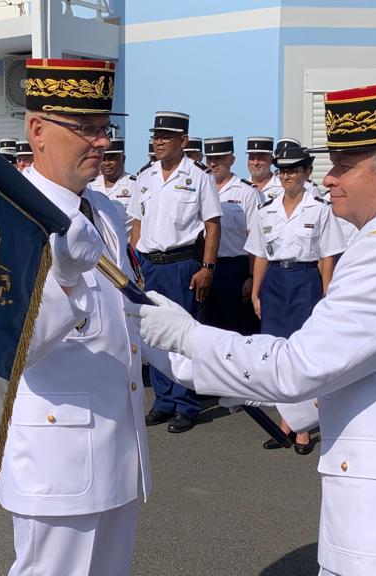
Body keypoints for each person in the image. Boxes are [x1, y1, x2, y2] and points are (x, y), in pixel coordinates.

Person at [131, 77, 376, 576]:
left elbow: (297, 369)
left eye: (345, 165)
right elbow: (370, 374)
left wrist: (186, 335)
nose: (328, 178)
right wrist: (169, 354)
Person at [0, 58, 151, 576]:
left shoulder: (105, 211)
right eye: (84, 129)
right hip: (58, 456)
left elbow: (126, 317)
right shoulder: (8, 215)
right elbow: (12, 349)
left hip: (118, 446)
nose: (101, 141)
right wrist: (63, 282)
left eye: (104, 128)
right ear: (37, 130)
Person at [245, 145, 345, 454]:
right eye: (283, 171)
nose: (287, 177)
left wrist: (327, 292)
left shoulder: (319, 209)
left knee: (303, 355)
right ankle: (285, 422)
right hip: (275, 283)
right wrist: (255, 292)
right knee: (277, 355)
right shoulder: (267, 211)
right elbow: (260, 255)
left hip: (305, 283)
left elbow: (328, 255)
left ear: (305, 173)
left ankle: (302, 428)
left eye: (294, 171)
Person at [128, 111, 222, 433]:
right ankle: (164, 400)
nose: (158, 142)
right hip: (149, 264)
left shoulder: (199, 175)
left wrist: (208, 267)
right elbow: (137, 223)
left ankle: (186, 403)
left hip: (183, 265)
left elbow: (212, 225)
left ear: (183, 141)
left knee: (183, 334)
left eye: (166, 137)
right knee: (153, 333)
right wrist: (133, 264)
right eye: (156, 136)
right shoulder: (145, 175)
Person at [199, 136, 257, 333]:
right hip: (201, 266)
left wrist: (251, 276)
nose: (214, 163)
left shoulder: (246, 192)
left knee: (233, 327)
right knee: (204, 326)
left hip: (233, 268)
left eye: (220, 158)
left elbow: (254, 237)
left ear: (232, 160)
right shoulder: (199, 187)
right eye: (210, 159)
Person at [87, 137, 136, 237]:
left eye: (112, 158)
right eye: (103, 159)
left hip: (126, 247)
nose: (107, 163)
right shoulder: (90, 186)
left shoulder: (135, 185)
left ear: (123, 159)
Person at [246, 136, 277, 202]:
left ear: (271, 159)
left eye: (261, 158)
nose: (255, 163)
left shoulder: (283, 187)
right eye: (252, 158)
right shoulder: (241, 188)